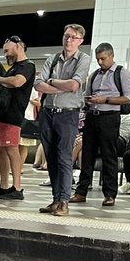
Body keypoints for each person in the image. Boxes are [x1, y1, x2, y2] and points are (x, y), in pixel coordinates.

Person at [34, 24, 91, 216]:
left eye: (74, 37)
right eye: (67, 36)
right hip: (48, 112)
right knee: (50, 157)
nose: (69, 40)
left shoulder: (83, 59)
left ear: (81, 41)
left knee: (64, 157)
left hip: (68, 114)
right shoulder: (52, 59)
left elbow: (74, 85)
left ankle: (64, 202)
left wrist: (51, 82)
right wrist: (60, 87)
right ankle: (56, 199)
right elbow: (38, 84)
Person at [72, 43, 130, 207]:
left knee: (108, 155)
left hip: (110, 117)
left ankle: (110, 193)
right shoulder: (94, 75)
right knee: (87, 154)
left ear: (111, 56)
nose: (100, 62)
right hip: (92, 116)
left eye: (103, 58)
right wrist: (87, 100)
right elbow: (86, 95)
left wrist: (105, 100)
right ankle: (81, 191)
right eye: (98, 59)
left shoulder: (121, 73)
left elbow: (128, 98)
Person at [0, 35, 36, 202]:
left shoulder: (28, 66)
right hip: (0, 114)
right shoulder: (13, 67)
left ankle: (17, 188)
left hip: (13, 116)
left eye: (7, 50)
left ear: (18, 46)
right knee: (0, 149)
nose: (5, 54)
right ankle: (4, 185)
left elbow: (18, 82)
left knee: (12, 149)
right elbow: (7, 83)